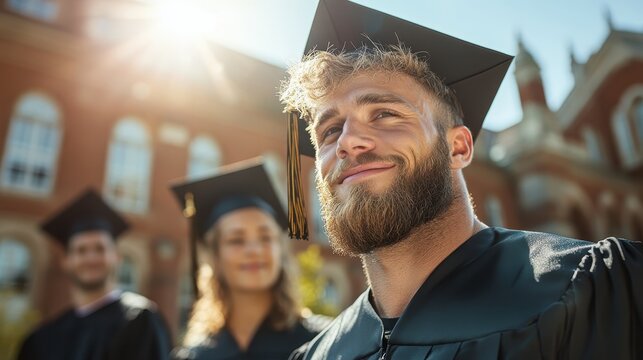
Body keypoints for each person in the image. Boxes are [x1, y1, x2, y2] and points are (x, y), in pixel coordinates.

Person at [279, 0, 643, 359]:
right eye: (329, 130)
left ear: (458, 148)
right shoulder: (319, 354)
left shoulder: (585, 290)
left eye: (385, 114)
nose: (346, 141)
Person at [170, 159, 327, 360]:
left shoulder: (323, 343)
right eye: (236, 240)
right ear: (214, 256)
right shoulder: (194, 356)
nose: (254, 250)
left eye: (266, 238)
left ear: (280, 250)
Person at [17, 189, 171, 360]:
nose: (91, 258)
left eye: (100, 249)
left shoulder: (139, 322)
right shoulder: (43, 338)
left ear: (117, 257)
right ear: (66, 261)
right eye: (81, 250)